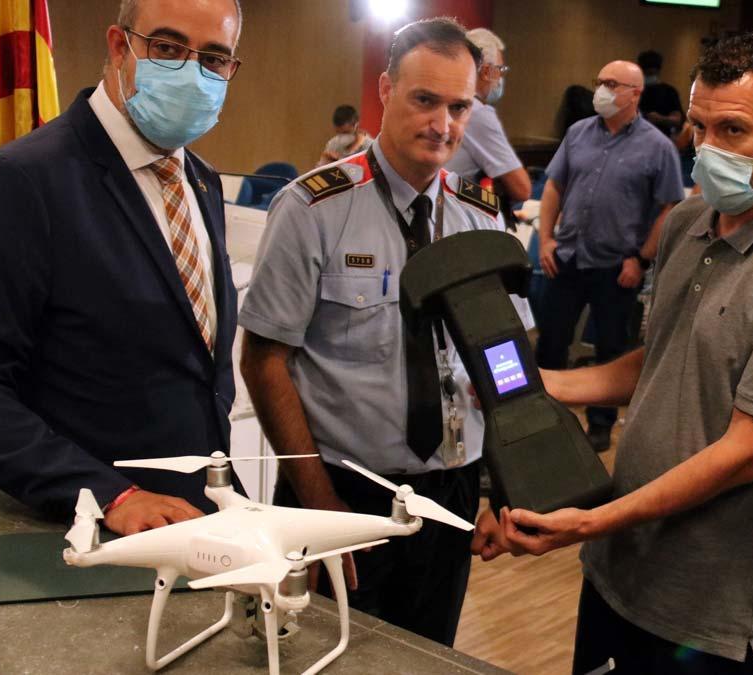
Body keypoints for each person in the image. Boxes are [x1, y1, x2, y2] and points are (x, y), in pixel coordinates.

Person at [480, 33, 753, 674]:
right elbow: (659, 361)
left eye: (734, 130)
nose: (709, 149)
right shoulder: (689, 223)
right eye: (699, 127)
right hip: (618, 576)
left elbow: (747, 454)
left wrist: (592, 521)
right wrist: (544, 383)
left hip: (704, 612)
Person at [238, 18, 520, 647]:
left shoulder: (480, 214)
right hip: (342, 489)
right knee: (330, 654)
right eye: (425, 100)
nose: (442, 124)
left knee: (428, 654)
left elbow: (501, 361)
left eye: (458, 107)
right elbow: (262, 361)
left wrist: (506, 489)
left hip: (448, 492)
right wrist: (318, 506)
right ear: (386, 90)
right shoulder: (313, 208)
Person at [0, 0, 243, 535]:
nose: (193, 74)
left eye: (215, 58)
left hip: (198, 531)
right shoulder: (18, 183)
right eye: (168, 48)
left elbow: (195, 376)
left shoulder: (201, 181)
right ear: (119, 45)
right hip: (80, 538)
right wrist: (109, 495)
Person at [535, 59, 682, 452]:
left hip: (617, 264)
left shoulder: (657, 147)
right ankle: (540, 417)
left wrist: (642, 258)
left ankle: (600, 425)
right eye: (599, 81)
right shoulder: (578, 133)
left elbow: (669, 207)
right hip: (567, 256)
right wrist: (546, 239)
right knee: (551, 340)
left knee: (611, 347)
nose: (601, 89)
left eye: (612, 84)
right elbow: (554, 188)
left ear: (635, 94)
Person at [446, 28, 531, 206]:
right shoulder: (475, 112)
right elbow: (522, 189)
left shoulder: (445, 100)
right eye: (499, 70)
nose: (500, 78)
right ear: (486, 72)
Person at [636, 50, 684, 139]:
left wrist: (661, 119)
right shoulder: (634, 91)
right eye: (647, 74)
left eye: (652, 73)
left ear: (658, 72)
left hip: (662, 139)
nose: (649, 76)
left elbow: (677, 119)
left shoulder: (669, 92)